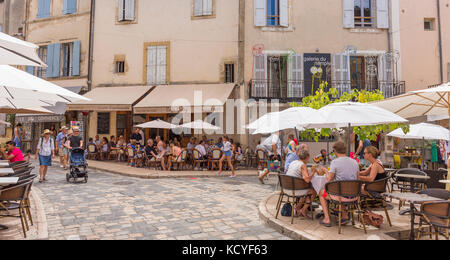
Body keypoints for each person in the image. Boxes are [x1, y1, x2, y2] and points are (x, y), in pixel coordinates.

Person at [319, 141, 359, 227]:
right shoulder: (355, 162)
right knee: (341, 189)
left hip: (341, 196)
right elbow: (358, 179)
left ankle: (327, 219)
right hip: (354, 195)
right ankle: (344, 215)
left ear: (335, 150)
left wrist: (326, 171)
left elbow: (329, 179)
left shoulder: (335, 162)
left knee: (321, 193)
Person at [286, 150, 317, 218]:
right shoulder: (302, 165)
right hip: (295, 190)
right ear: (306, 158)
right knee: (313, 192)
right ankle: (301, 209)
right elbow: (307, 180)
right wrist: (313, 172)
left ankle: (299, 208)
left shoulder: (293, 162)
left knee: (307, 191)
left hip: (286, 188)